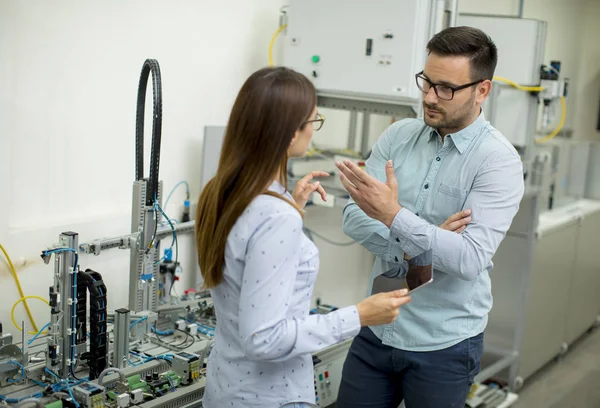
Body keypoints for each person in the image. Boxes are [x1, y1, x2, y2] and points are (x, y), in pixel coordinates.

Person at [194, 66, 413, 408]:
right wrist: (360, 315)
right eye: (313, 120)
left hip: (226, 388)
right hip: (270, 396)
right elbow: (264, 340)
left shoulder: (222, 190)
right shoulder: (274, 215)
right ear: (289, 133)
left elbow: (244, 258)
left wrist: (288, 206)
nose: (314, 129)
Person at [335, 26, 525, 408]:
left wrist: (393, 215)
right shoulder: (398, 136)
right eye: (426, 82)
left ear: (482, 90)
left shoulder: (497, 161)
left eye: (446, 89)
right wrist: (422, 242)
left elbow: (469, 259)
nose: (429, 97)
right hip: (379, 324)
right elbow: (352, 215)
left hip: (445, 343)